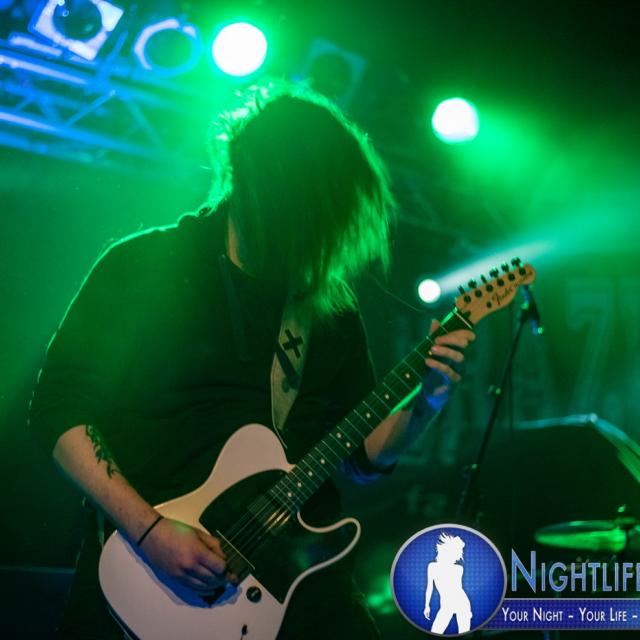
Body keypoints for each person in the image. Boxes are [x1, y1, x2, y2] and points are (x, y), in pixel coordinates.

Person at [29, 80, 475, 639]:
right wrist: (149, 530)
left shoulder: (328, 307)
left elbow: (361, 457)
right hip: (145, 575)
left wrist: (427, 402)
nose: (315, 231)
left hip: (294, 578)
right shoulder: (145, 266)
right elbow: (58, 410)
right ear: (251, 185)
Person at [424, 533, 472, 634]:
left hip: (462, 603)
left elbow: (458, 589)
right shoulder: (432, 567)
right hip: (446, 605)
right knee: (435, 631)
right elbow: (429, 587)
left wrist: (467, 611)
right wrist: (427, 605)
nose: (459, 555)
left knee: (464, 634)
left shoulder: (459, 569)